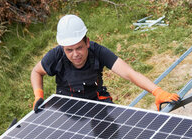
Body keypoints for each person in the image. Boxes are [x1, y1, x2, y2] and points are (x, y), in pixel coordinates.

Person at [30, 14, 180, 112]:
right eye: (69, 50)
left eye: (79, 48)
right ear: (63, 47)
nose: (75, 54)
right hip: (67, 109)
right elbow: (36, 72)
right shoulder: (55, 55)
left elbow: (129, 73)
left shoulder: (98, 51)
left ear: (87, 42)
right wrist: (38, 95)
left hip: (98, 104)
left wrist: (157, 91)